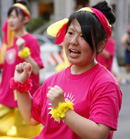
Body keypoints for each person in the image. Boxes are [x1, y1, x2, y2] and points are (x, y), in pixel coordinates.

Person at [11, 1, 122, 139]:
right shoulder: (54, 80)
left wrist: (63, 108)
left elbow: (99, 135)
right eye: (70, 32)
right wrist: (21, 86)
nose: (74, 41)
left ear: (100, 45)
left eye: (83, 36)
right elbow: (30, 117)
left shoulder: (105, 83)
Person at [0, 0, 44, 137]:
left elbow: (36, 69)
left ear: (25, 19)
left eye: (15, 16)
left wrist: (23, 51)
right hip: (5, 98)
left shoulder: (30, 40)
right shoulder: (8, 42)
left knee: (28, 136)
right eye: (9, 17)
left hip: (23, 101)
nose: (11, 20)